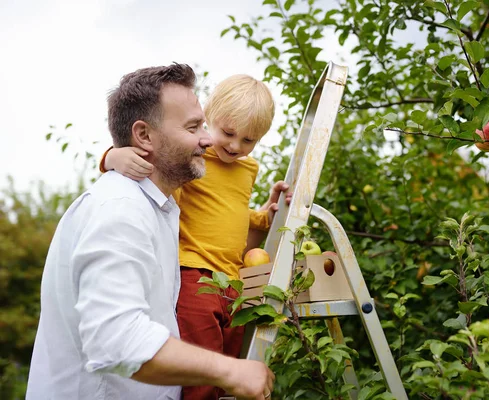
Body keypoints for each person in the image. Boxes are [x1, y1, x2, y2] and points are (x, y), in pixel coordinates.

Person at [26, 63, 275, 400]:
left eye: (203, 125)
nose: (208, 140)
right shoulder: (119, 210)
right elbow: (118, 339)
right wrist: (229, 370)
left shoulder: (163, 209)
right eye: (193, 127)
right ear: (143, 136)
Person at [100, 74, 291, 399]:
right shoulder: (194, 156)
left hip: (233, 283)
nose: (234, 146)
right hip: (196, 275)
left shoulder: (247, 168)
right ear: (208, 118)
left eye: (249, 140)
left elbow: (230, 210)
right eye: (228, 133)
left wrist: (266, 214)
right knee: (201, 370)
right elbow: (147, 155)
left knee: (229, 368)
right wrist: (111, 157)